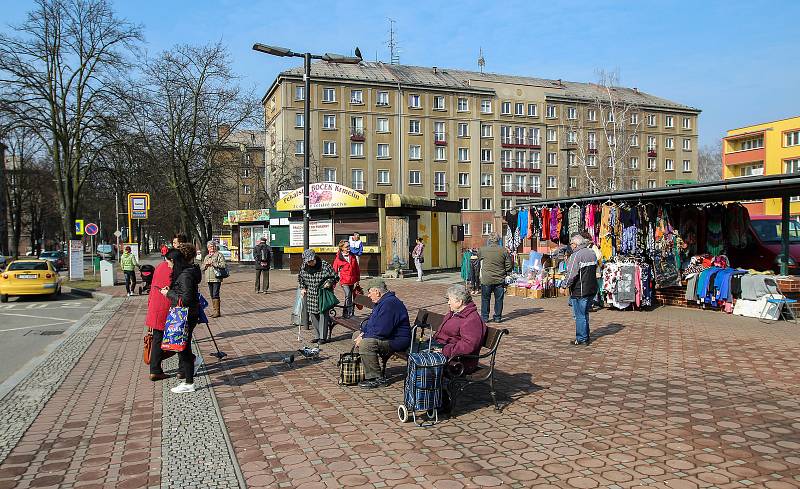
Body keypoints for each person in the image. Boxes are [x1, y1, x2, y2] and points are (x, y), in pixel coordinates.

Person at [353, 278, 411, 388]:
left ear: (377, 292)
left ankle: (376, 378)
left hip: (397, 340)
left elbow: (382, 330)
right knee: (356, 335)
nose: (369, 296)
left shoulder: (389, 304)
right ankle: (368, 368)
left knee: (366, 344)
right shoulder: (382, 302)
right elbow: (371, 322)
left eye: (370, 292)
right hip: (388, 337)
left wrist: (364, 336)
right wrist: (362, 333)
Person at [161, 247, 202, 393]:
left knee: (183, 347)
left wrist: (168, 293)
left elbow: (185, 299)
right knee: (183, 347)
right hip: (186, 314)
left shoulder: (185, 275)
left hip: (185, 315)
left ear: (174, 261)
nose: (168, 265)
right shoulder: (185, 274)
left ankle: (189, 383)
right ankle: (188, 380)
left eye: (168, 262)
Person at [432, 284, 487, 374]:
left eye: (450, 300)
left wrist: (444, 350)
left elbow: (468, 345)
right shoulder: (454, 313)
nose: (448, 303)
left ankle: (427, 386)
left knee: (422, 360)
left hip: (460, 360)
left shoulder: (471, 319)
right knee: (415, 353)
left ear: (460, 302)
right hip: (443, 348)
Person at [563, 233, 598, 346]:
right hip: (591, 289)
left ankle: (582, 338)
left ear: (575, 244)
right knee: (584, 314)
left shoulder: (576, 255)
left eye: (572, 244)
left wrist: (564, 286)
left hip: (580, 290)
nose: (571, 246)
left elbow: (571, 274)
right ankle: (585, 336)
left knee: (580, 315)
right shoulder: (591, 252)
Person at [144, 249, 173, 381]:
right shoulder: (174, 269)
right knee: (176, 337)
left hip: (155, 306)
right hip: (167, 306)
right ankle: (185, 367)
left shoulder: (160, 266)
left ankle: (155, 370)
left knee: (157, 338)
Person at [298, 249, 337, 344]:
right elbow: (300, 278)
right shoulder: (304, 266)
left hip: (323, 292)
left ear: (315, 258)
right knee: (313, 314)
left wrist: (329, 283)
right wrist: (302, 288)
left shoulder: (324, 265)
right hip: (311, 293)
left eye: (311, 261)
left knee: (323, 314)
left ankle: (322, 337)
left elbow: (334, 277)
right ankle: (317, 336)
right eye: (308, 261)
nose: (310, 263)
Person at [478, 233, 513, 323]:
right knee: (499, 299)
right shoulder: (504, 250)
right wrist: (504, 271)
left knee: (485, 299)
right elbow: (509, 266)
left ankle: (485, 317)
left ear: (489, 240)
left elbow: (479, 260)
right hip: (499, 279)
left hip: (486, 279)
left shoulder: (482, 250)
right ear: (498, 240)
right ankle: (497, 317)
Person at [332, 240, 361, 318]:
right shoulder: (338, 258)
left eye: (349, 246)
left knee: (352, 296)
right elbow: (334, 271)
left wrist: (357, 279)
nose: (349, 248)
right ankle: (349, 313)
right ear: (342, 248)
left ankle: (346, 313)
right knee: (348, 295)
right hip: (344, 281)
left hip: (352, 280)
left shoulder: (352, 256)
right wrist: (333, 283)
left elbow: (356, 268)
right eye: (346, 246)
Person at [202, 241, 226, 318]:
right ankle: (214, 310)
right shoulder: (206, 257)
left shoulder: (219, 255)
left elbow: (223, 265)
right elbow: (202, 268)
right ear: (208, 248)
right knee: (212, 294)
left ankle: (217, 312)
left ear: (215, 247)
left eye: (213, 246)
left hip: (216, 277)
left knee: (215, 294)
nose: (211, 248)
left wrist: (213, 264)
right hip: (208, 278)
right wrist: (205, 265)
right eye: (210, 246)